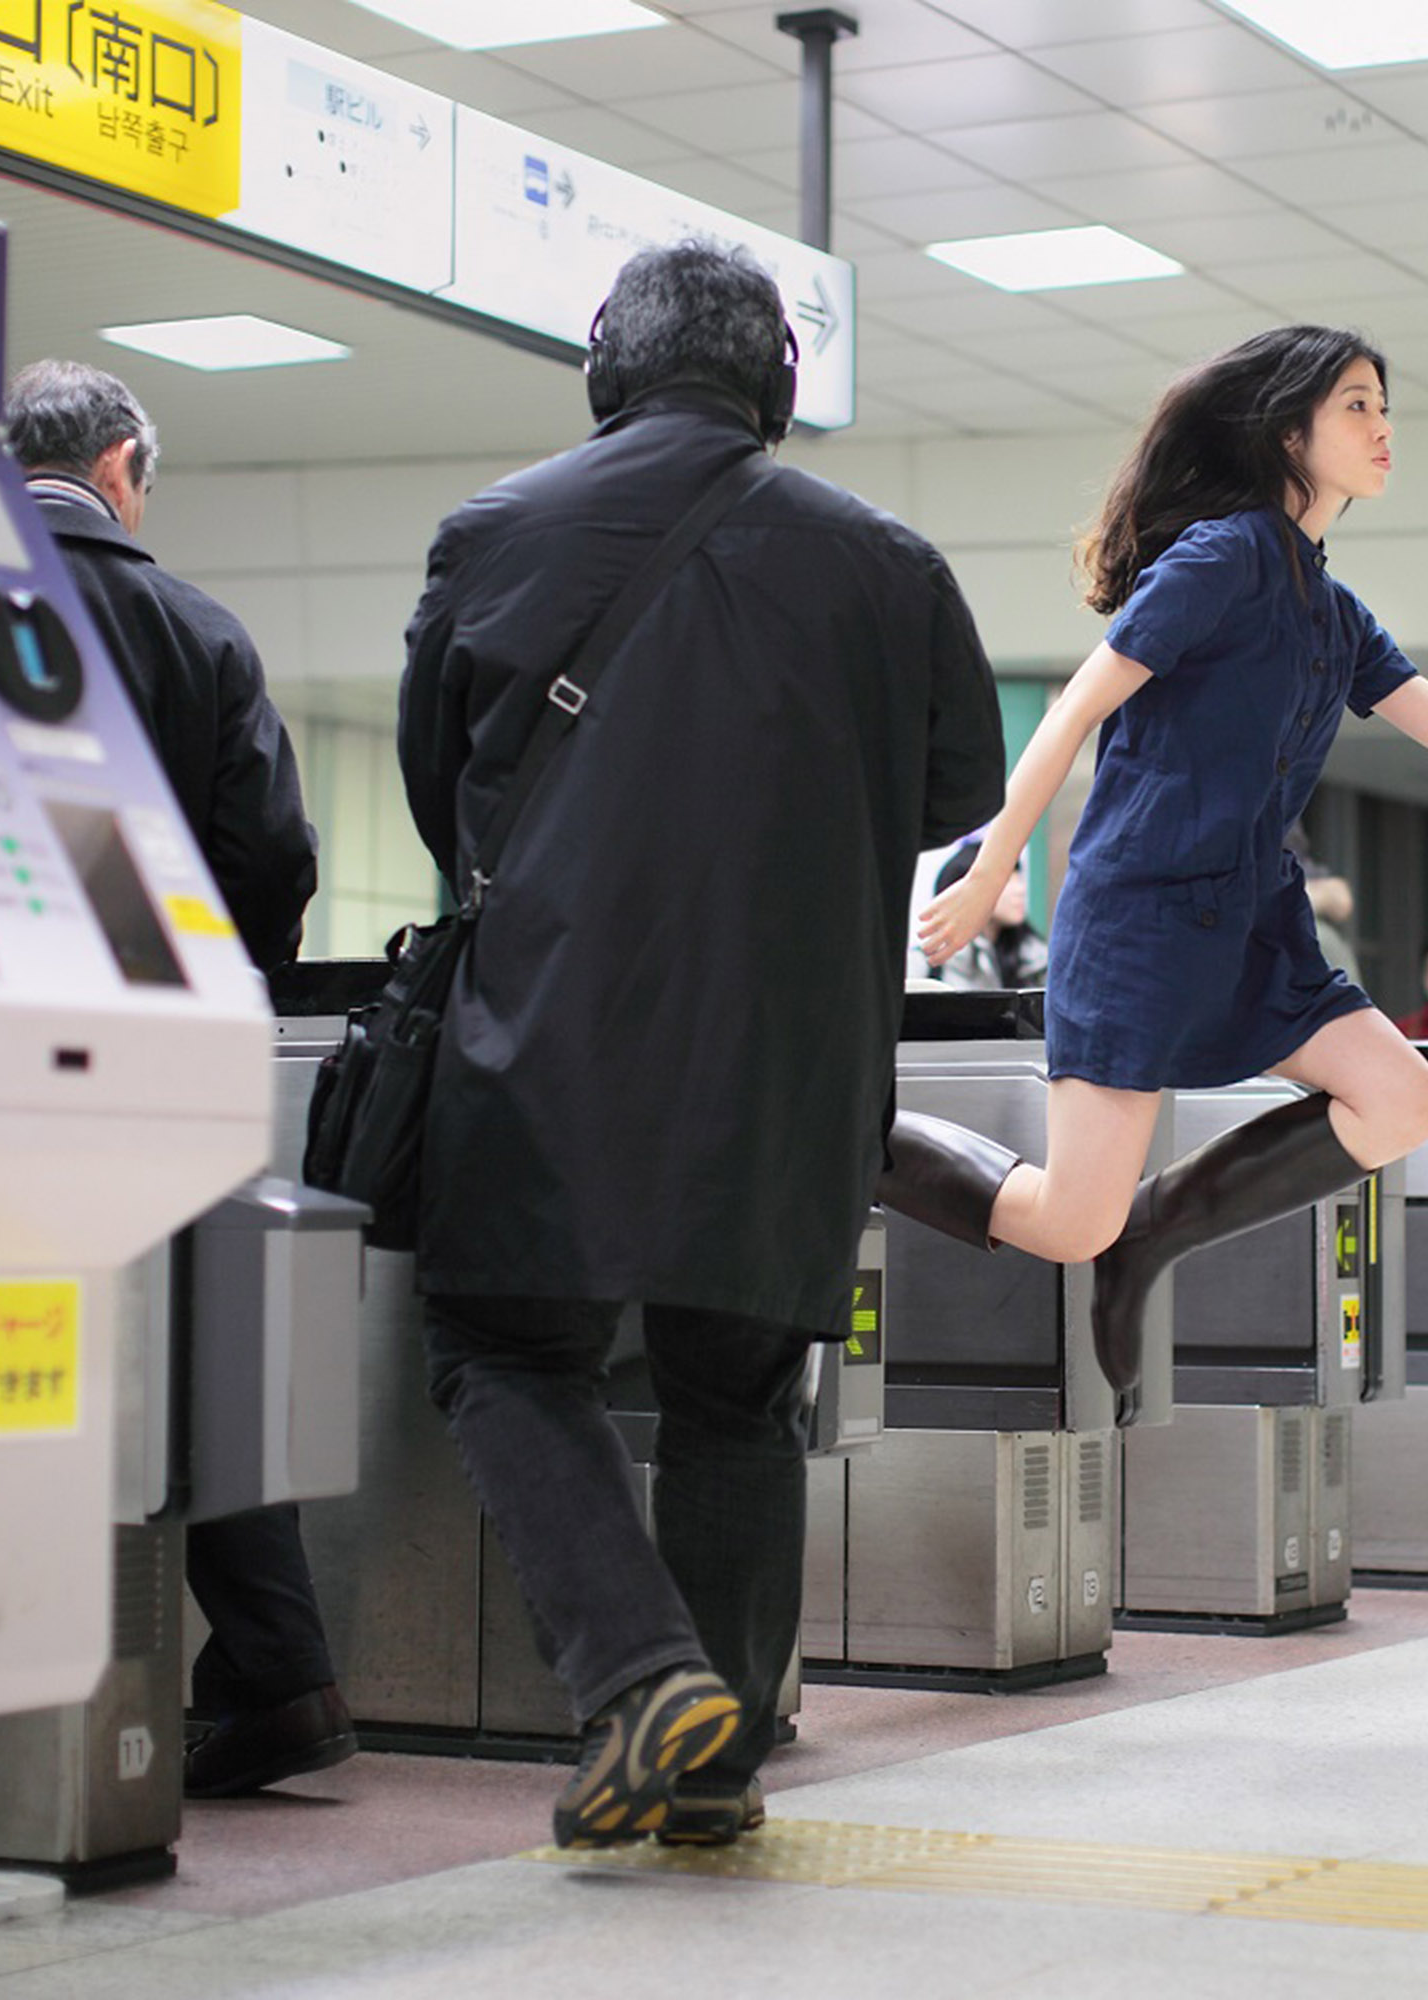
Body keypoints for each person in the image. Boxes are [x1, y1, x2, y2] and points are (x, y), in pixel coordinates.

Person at [397, 241, 1006, 1843]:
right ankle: (715, 1770)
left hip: (555, 1032)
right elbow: (955, 800)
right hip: (794, 1049)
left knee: (503, 1345)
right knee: (739, 1387)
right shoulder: (893, 562)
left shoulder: (495, 532)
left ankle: (645, 1670)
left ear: (606, 364)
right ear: (781, 383)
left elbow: (438, 785)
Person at [886, 325, 1428, 1428]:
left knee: (1400, 1098)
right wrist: (993, 860)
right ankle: (859, 1137)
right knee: (1067, 1222)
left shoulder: (1333, 612)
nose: (1384, 430)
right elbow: (1077, 708)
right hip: (1142, 914)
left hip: (1251, 917)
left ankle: (1159, 1229)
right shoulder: (1222, 557)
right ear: (1288, 429)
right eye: (1356, 407)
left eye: (1387, 408)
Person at [5, 360, 350, 1799]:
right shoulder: (198, 630)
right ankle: (278, 1668)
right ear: (126, 465)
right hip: (168, 1052)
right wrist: (212, 979)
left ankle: (14, 1682)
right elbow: (274, 861)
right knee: (196, 1348)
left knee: (13, 1347)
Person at [925, 840, 1049, 990]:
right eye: (1007, 880)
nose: (1020, 890)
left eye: (1018, 878)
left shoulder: (1035, 957)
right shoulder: (930, 961)